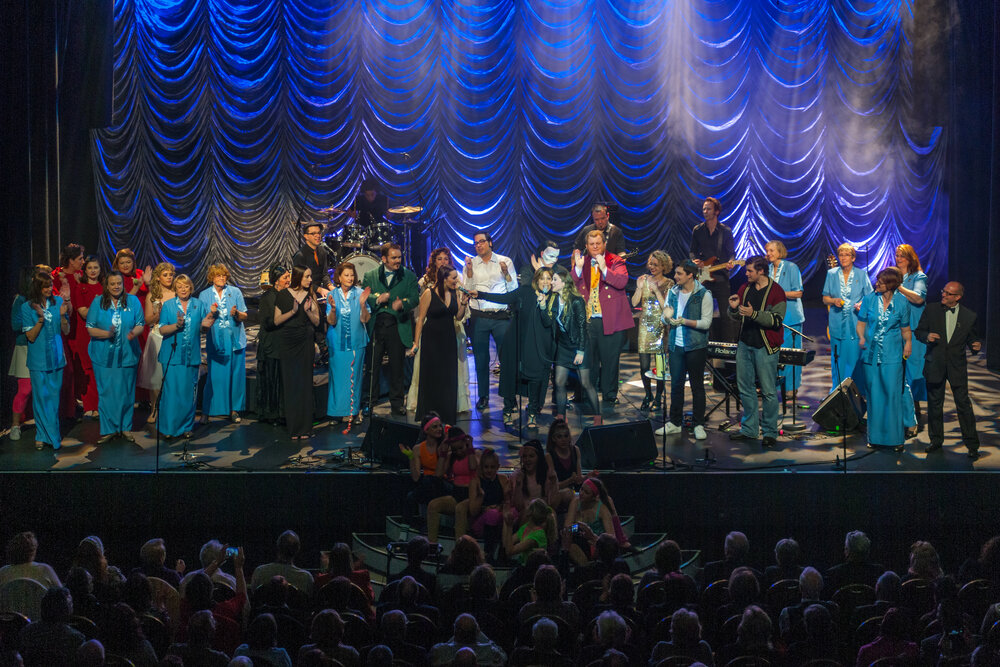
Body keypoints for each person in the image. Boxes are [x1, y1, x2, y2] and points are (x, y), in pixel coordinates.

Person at [468, 266, 556, 427]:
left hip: (537, 345)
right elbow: (504, 298)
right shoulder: (525, 292)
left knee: (535, 377)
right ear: (536, 280)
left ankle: (532, 413)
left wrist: (543, 305)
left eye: (548, 278)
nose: (545, 282)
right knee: (511, 374)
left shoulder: (553, 298)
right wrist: (481, 294)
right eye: (542, 278)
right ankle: (508, 409)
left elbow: (549, 322)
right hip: (516, 340)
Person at [915, 280, 982, 458]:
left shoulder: (969, 316)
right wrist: (927, 336)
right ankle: (935, 441)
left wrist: (975, 346)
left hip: (956, 366)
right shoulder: (931, 309)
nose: (943, 295)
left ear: (958, 297)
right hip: (935, 364)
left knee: (964, 406)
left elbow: (972, 339)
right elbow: (919, 331)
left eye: (947, 293)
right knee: (935, 405)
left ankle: (972, 445)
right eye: (943, 291)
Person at [727, 255, 786, 448]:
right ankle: (750, 429)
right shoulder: (744, 289)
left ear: (761, 271)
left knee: (768, 391)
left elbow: (777, 320)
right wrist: (734, 308)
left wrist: (754, 314)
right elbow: (737, 317)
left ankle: (770, 432)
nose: (746, 273)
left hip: (766, 346)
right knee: (745, 388)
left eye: (750, 270)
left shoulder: (776, 291)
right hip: (745, 344)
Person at [572, 230, 632, 408]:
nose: (595, 247)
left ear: (604, 244)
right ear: (586, 246)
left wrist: (604, 269)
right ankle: (585, 395)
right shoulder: (582, 261)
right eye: (592, 244)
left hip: (611, 320)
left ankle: (609, 395)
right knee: (587, 360)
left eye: (598, 243)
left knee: (610, 361)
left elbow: (622, 282)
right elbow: (571, 284)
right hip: (589, 320)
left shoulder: (615, 261)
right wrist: (577, 268)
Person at [409, 248, 471, 414]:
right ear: (445, 278)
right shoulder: (429, 292)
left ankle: (447, 409)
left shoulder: (454, 293)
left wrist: (464, 303)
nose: (456, 281)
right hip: (432, 338)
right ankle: (429, 410)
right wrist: (416, 343)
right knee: (432, 375)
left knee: (448, 375)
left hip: (449, 337)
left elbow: (458, 317)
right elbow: (420, 318)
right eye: (453, 278)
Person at [85, 271, 146, 443]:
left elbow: (141, 323)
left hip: (128, 354)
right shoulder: (98, 302)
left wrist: (135, 332)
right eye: (112, 284)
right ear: (107, 285)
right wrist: (107, 334)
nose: (116, 286)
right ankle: (109, 429)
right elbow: (90, 327)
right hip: (103, 356)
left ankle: (125, 427)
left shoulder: (133, 301)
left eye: (119, 283)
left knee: (126, 392)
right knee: (106, 392)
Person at [656, 259, 713, 439]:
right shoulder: (673, 292)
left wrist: (684, 321)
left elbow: (706, 323)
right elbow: (665, 316)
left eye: (679, 273)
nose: (675, 276)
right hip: (676, 345)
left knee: (697, 386)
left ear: (690, 275)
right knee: (676, 385)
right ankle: (674, 422)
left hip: (695, 346)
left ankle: (698, 424)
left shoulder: (703, 294)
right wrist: (666, 317)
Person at [857, 267, 912, 452]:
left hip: (893, 354)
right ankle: (875, 438)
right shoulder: (869, 299)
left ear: (891, 284)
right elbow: (861, 323)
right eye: (877, 281)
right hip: (871, 355)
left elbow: (905, 329)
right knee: (874, 395)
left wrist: (908, 343)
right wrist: (862, 337)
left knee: (892, 395)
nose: (876, 284)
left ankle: (895, 439)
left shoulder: (902, 303)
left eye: (881, 282)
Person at [361, 243, 420, 416]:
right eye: (393, 258)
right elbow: (365, 296)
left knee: (397, 368)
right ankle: (369, 402)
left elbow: (415, 298)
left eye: (399, 257)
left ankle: (397, 404)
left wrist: (403, 303)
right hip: (377, 326)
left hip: (397, 326)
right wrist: (377, 299)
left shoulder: (408, 276)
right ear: (384, 259)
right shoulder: (370, 275)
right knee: (372, 367)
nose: (397, 261)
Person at [464, 231, 517, 411]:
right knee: (480, 358)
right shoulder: (471, 263)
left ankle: (510, 398)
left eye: (482, 242)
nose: (478, 245)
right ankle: (483, 396)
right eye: (476, 243)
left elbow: (513, 289)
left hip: (500, 316)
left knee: (507, 358)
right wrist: (469, 271)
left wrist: (506, 274)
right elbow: (468, 290)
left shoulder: (505, 261)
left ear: (490, 243)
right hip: (479, 316)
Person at [158, 274, 213, 439]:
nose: (183, 289)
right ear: (175, 288)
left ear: (191, 288)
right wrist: (176, 325)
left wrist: (206, 325)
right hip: (172, 357)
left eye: (186, 286)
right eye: (180, 286)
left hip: (191, 356)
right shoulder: (168, 306)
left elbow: (204, 327)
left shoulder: (199, 304)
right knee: (172, 393)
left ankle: (186, 427)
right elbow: (162, 330)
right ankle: (169, 428)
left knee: (189, 393)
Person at [21, 271, 70, 450]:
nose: (49, 289)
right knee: (41, 399)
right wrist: (41, 318)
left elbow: (65, 331)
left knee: (54, 399)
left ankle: (50, 434)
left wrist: (64, 315)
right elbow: (31, 337)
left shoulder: (57, 303)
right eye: (45, 286)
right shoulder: (27, 307)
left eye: (50, 285)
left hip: (57, 358)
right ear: (37, 288)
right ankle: (44, 435)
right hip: (38, 360)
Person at [274, 265, 321, 440]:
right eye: (307, 277)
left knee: (305, 383)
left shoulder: (311, 296)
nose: (310, 280)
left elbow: (316, 322)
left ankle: (306, 428)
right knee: (291, 383)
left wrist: (307, 311)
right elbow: (277, 320)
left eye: (310, 276)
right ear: (298, 277)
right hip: (288, 342)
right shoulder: (283, 295)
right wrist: (293, 311)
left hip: (305, 341)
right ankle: (294, 428)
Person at [198, 264, 248, 424]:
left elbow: (244, 315)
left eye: (224, 276)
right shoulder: (204, 295)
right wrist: (211, 313)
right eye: (218, 276)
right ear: (212, 278)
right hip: (217, 341)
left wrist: (237, 314)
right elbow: (202, 322)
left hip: (235, 341)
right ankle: (207, 410)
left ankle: (234, 410)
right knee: (214, 377)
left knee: (236, 376)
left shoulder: (235, 292)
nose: (222, 278)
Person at [550, 267, 601, 422]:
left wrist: (580, 351)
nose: (551, 282)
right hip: (564, 346)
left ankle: (598, 416)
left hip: (578, 346)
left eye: (554, 280)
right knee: (559, 382)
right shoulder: (553, 299)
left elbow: (581, 328)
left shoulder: (576, 300)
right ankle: (561, 417)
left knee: (586, 383)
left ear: (564, 283)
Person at [822, 242, 873, 394]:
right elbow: (825, 298)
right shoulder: (831, 274)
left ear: (853, 258)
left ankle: (856, 393)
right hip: (837, 322)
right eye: (841, 255)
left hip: (856, 322)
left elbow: (870, 297)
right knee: (837, 359)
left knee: (854, 358)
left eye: (847, 255)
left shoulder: (861, 274)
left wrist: (861, 304)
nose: (843, 258)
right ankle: (837, 392)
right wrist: (833, 301)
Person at [327, 262, 372, 432]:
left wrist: (362, 305)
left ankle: (352, 412)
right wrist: (332, 308)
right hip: (336, 343)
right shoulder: (332, 295)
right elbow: (331, 322)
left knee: (354, 378)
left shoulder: (360, 294)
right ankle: (336, 412)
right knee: (337, 378)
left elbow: (365, 319)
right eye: (346, 275)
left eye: (352, 275)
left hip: (356, 342)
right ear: (339, 277)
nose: (350, 278)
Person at [631, 251, 673, 412]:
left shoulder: (669, 283)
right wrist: (638, 288)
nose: (652, 267)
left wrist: (656, 291)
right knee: (644, 367)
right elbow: (634, 302)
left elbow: (667, 309)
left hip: (661, 328)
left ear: (663, 266)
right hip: (644, 328)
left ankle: (658, 397)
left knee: (660, 368)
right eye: (651, 264)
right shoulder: (643, 279)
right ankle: (647, 394)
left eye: (656, 264)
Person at [689, 197, 736, 342]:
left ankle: (728, 348)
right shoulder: (698, 230)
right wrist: (694, 260)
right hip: (703, 277)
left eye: (708, 209)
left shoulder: (725, 231)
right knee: (704, 313)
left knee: (726, 315)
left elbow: (731, 253)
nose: (705, 211)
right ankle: (705, 346)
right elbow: (692, 251)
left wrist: (731, 262)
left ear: (716, 211)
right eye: (704, 209)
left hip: (721, 277)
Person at [137, 262, 175, 424]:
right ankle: (154, 409)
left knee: (172, 377)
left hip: (173, 337)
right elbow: (147, 320)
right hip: (157, 337)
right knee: (155, 378)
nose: (169, 278)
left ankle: (170, 409)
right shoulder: (152, 296)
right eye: (165, 275)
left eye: (171, 275)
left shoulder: (177, 293)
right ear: (158, 277)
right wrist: (158, 313)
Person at [426, 426, 479, 544]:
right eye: (455, 449)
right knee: (433, 505)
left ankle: (459, 549)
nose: (458, 452)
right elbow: (438, 474)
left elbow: (473, 467)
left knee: (460, 509)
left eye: (461, 448)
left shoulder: (475, 453)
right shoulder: (452, 457)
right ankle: (432, 545)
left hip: (472, 496)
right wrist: (444, 452)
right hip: (457, 494)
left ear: (466, 442)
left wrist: (470, 448)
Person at [895, 244, 928, 435]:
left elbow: (918, 299)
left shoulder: (918, 277)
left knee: (914, 372)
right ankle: (906, 411)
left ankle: (914, 409)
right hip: (896, 330)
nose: (899, 259)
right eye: (897, 256)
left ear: (910, 258)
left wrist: (899, 288)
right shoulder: (896, 275)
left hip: (914, 330)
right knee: (900, 372)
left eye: (902, 256)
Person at [765, 240, 804, 392]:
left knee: (790, 355)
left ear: (780, 252)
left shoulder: (791, 267)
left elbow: (798, 292)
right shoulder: (767, 270)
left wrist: (778, 294)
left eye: (772, 251)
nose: (768, 254)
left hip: (791, 318)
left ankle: (791, 389)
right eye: (767, 251)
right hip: (772, 319)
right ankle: (774, 387)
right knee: (774, 355)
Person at [51, 243, 84, 420]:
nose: (83, 262)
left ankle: (77, 402)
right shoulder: (57, 277)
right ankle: (66, 409)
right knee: (67, 368)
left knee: (79, 367)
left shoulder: (81, 276)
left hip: (81, 327)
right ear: (70, 260)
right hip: (64, 329)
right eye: (80, 259)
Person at [70, 257, 104, 419]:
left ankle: (100, 405)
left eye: (95, 267)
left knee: (101, 368)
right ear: (85, 270)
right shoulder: (80, 287)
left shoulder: (105, 287)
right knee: (88, 369)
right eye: (89, 267)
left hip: (103, 332)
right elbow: (83, 312)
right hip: (85, 333)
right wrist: (99, 309)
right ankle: (90, 406)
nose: (92, 270)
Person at [254, 264, 289, 424]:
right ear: (276, 281)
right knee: (271, 378)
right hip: (271, 344)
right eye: (285, 278)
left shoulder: (288, 294)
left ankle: (282, 412)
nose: (288, 280)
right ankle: (271, 413)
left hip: (284, 343)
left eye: (289, 277)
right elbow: (268, 323)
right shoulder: (267, 297)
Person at [463, 447, 510, 559]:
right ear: (482, 467)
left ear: (498, 467)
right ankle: (488, 553)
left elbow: (508, 501)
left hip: (498, 517)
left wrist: (499, 507)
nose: (489, 470)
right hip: (481, 522)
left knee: (510, 513)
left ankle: (505, 550)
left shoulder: (503, 480)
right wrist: (481, 499)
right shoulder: (476, 482)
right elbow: (473, 511)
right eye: (486, 467)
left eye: (492, 467)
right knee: (492, 514)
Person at [9, 266, 37, 442]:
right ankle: (14, 425)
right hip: (25, 348)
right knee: (25, 389)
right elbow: (15, 324)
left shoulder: (41, 298)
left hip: (39, 348)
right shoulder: (20, 300)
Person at [563, 478, 616, 567]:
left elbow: (610, 538)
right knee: (570, 546)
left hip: (596, 544)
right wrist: (578, 527)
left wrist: (592, 536)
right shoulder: (576, 502)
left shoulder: (602, 509)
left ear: (594, 497)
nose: (581, 493)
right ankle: (587, 568)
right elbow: (567, 528)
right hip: (580, 541)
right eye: (581, 489)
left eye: (586, 492)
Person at [509, 439, 557, 519]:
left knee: (551, 514)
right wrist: (518, 484)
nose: (527, 460)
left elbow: (552, 503)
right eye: (525, 456)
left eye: (531, 456)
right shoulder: (517, 475)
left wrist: (554, 483)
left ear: (538, 458)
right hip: (525, 513)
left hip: (542, 511)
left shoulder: (547, 474)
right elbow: (518, 506)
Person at [545, 417, 585, 511]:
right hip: (556, 494)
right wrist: (570, 480)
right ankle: (570, 524)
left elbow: (579, 480)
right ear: (553, 439)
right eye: (559, 437)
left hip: (575, 491)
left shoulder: (575, 450)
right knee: (568, 493)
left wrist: (588, 477)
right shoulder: (549, 456)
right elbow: (551, 487)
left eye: (566, 436)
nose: (563, 439)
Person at [503, 499, 557, 565]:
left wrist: (509, 526)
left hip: (533, 570)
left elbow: (510, 551)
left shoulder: (538, 535)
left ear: (531, 512)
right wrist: (505, 520)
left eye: (528, 505)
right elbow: (506, 543)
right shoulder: (526, 527)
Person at [292, 221, 333, 298]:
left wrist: (330, 285)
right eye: (314, 233)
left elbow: (324, 274)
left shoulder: (322, 251)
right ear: (306, 236)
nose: (318, 236)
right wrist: (319, 290)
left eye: (319, 233)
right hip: (304, 295)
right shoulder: (300, 255)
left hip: (318, 292)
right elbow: (300, 281)